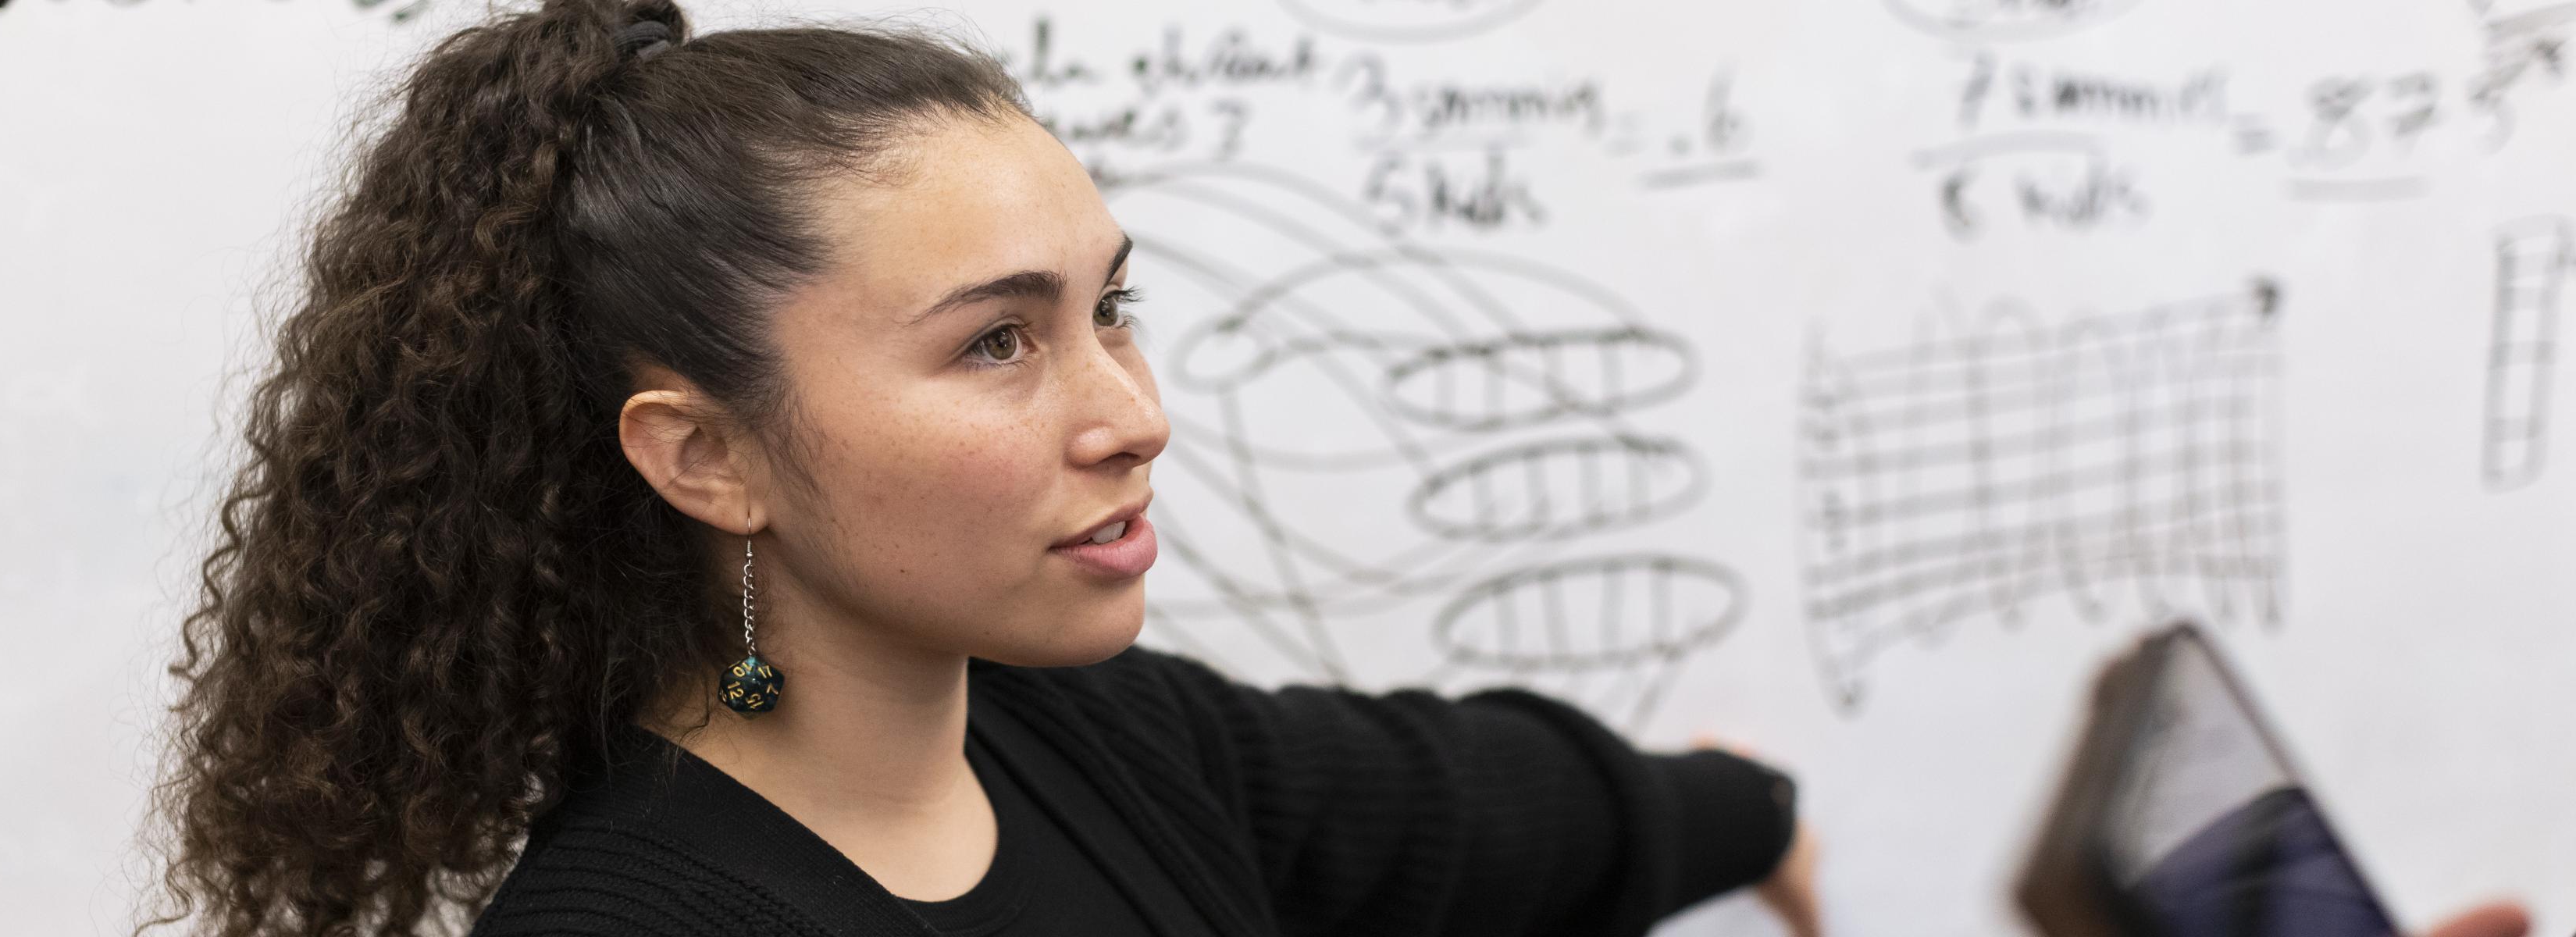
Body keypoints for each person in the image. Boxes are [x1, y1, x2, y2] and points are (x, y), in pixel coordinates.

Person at [134, 0, 1819, 935]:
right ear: (707, 456)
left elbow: (1473, 814)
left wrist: (1743, 810)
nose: (1130, 413)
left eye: (1114, 308)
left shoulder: (1110, 744)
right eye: (998, 342)